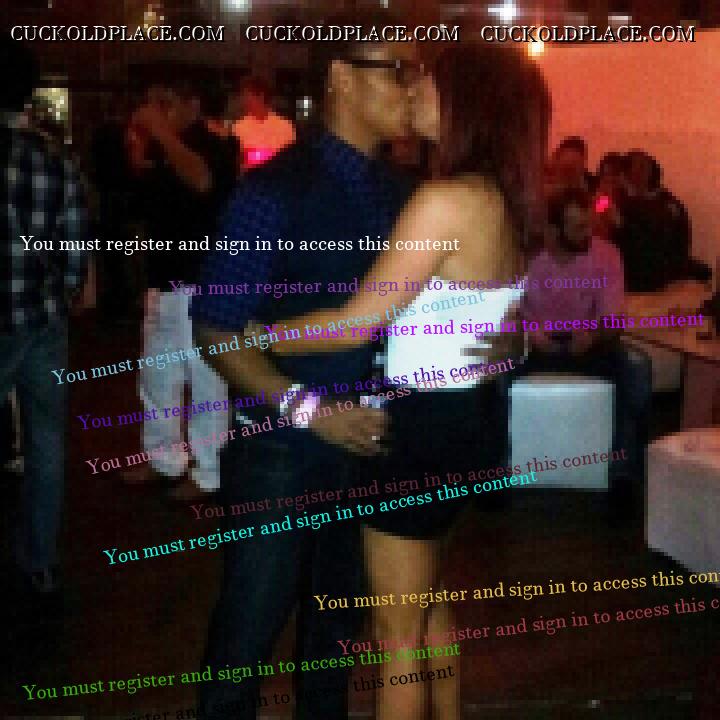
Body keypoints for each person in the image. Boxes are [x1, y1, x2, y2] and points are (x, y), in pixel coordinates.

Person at [259, 44, 550, 720]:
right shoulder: (501, 197)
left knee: (395, 634)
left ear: (469, 102)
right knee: (430, 603)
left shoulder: (445, 199)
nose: (414, 87)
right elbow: (492, 318)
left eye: (431, 81)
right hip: (472, 418)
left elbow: (356, 323)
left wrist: (256, 335)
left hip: (421, 428)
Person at [191, 10, 419, 719]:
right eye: (398, 69)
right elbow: (215, 328)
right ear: (342, 78)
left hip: (369, 445)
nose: (412, 88)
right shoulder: (273, 191)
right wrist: (309, 411)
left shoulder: (402, 192)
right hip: (281, 449)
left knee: (334, 640)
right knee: (246, 635)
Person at [0, 34, 89, 593]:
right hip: (42, 319)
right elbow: (75, 250)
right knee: (46, 442)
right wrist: (64, 292)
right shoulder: (55, 161)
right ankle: (40, 560)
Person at [123, 79, 236, 500]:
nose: (158, 110)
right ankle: (163, 459)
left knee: (205, 380)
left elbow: (203, 181)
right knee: (157, 377)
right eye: (154, 103)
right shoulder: (164, 149)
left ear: (193, 103)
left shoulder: (215, 146)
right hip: (164, 281)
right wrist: (141, 151)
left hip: (199, 281)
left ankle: (210, 472)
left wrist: (160, 133)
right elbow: (143, 204)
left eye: (166, 102)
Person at [520, 188, 651, 516]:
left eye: (588, 224)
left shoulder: (606, 254)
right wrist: (528, 331)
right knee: (492, 367)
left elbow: (614, 321)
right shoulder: (526, 258)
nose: (588, 233)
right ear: (553, 231)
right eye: (578, 227)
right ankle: (496, 467)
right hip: (534, 343)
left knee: (637, 366)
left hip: (589, 342)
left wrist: (593, 334)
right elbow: (505, 308)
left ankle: (624, 477)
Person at [618, 149, 709, 291]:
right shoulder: (615, 197)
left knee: (705, 273)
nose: (644, 172)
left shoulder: (666, 200)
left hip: (667, 261)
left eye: (646, 166)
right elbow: (598, 211)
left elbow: (681, 231)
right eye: (639, 166)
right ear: (627, 172)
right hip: (636, 264)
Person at [231, 75, 295, 171]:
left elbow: (292, 159)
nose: (244, 100)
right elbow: (236, 160)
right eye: (243, 96)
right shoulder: (238, 127)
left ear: (261, 96)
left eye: (247, 95)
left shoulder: (285, 126)